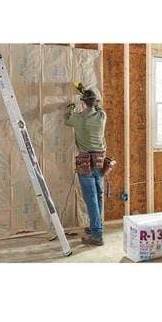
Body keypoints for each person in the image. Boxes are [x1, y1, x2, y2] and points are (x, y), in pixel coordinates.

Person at [65, 87, 107, 246]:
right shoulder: (102, 116)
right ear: (95, 102)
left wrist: (71, 106)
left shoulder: (77, 118)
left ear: (83, 103)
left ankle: (97, 235)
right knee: (98, 196)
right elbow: (98, 107)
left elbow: (67, 119)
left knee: (91, 199)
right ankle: (97, 226)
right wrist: (86, 93)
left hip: (85, 163)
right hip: (99, 161)